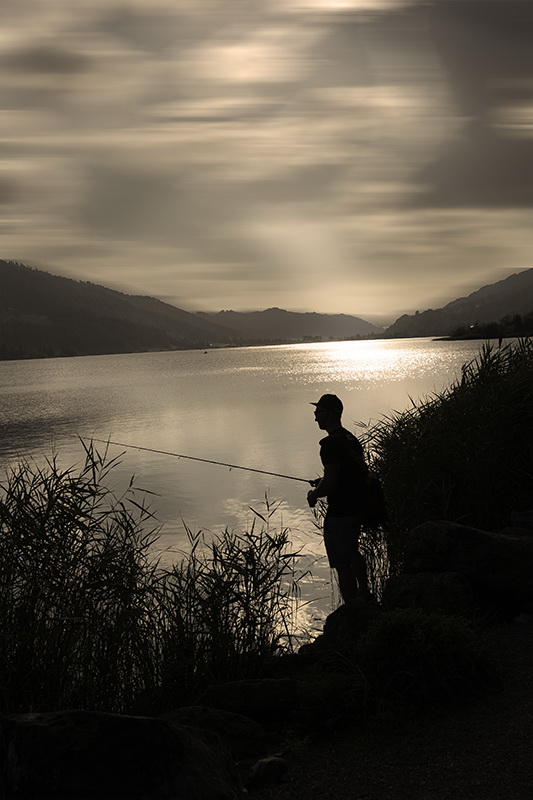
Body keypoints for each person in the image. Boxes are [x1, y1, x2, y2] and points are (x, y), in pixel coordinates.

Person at [307, 393, 370, 603]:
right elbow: (349, 473)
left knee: (342, 563)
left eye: (318, 413)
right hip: (358, 506)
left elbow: (332, 483)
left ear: (329, 414)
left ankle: (351, 607)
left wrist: (315, 494)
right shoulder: (350, 438)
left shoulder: (329, 445)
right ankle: (364, 592)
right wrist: (323, 481)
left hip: (341, 512)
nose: (315, 417)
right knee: (352, 551)